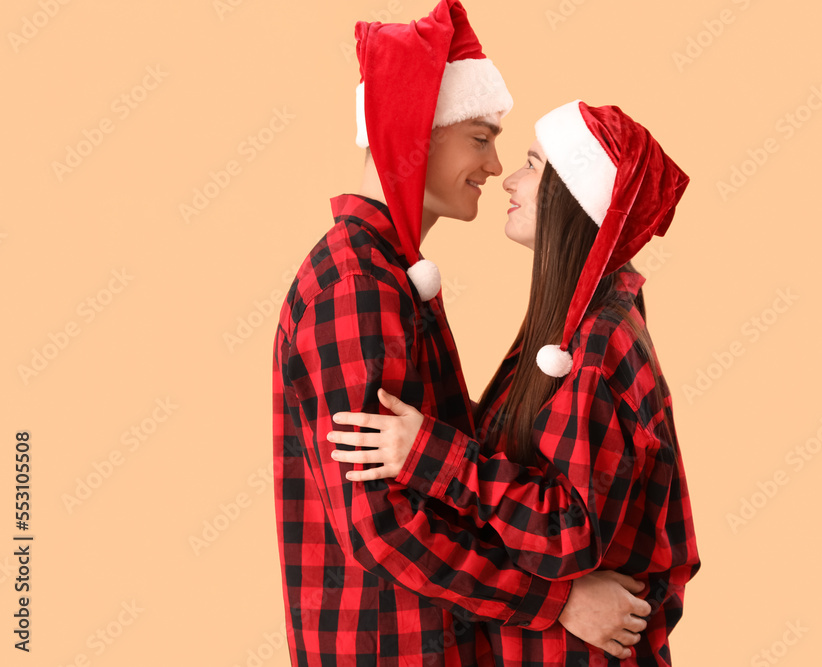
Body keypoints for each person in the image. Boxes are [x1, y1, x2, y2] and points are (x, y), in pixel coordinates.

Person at [273, 2, 652, 665]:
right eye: (481, 137)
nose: (494, 164)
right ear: (418, 131)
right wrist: (557, 600)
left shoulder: (393, 277)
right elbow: (380, 526)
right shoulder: (354, 288)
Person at [327, 100, 701, 665]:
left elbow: (568, 531)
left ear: (576, 195)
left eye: (533, 164)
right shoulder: (566, 326)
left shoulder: (598, 345)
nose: (510, 177)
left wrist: (428, 452)